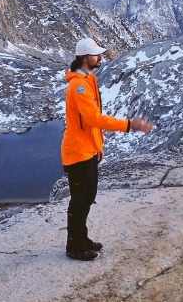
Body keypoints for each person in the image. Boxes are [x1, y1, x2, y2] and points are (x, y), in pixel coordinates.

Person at [62, 37, 152, 261]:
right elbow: (94, 119)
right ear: (84, 58)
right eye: (95, 54)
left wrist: (98, 146)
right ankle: (74, 246)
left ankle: (82, 239)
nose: (100, 57)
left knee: (87, 196)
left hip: (87, 150)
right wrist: (130, 126)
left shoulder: (87, 79)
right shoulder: (80, 85)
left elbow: (89, 124)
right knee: (80, 199)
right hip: (77, 152)